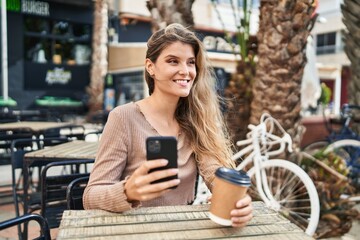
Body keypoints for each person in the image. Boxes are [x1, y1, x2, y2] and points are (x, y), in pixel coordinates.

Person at [83, 23, 253, 227]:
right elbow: (90, 197)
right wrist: (128, 191)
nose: (185, 71)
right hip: (133, 231)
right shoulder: (123, 117)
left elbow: (213, 171)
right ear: (150, 67)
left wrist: (234, 200)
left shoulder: (196, 119)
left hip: (180, 229)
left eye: (191, 63)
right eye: (173, 61)